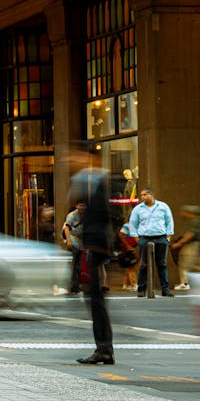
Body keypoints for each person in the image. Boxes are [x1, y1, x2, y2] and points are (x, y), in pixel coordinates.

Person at [69, 142, 116, 364]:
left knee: (95, 298)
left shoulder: (101, 180)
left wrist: (97, 246)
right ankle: (104, 348)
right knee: (95, 298)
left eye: (76, 156)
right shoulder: (90, 180)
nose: (72, 160)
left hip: (97, 246)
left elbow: (108, 215)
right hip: (95, 245)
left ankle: (104, 349)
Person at [127, 187, 174, 296]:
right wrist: (136, 239)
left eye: (144, 195)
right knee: (143, 264)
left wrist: (168, 236)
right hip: (144, 238)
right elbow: (132, 224)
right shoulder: (138, 209)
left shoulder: (163, 206)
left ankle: (165, 289)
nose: (142, 197)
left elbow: (169, 221)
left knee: (162, 264)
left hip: (161, 238)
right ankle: (141, 289)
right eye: (141, 195)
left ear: (151, 195)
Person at [170, 206, 199, 292]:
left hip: (192, 245)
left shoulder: (195, 221)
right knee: (195, 265)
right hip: (196, 245)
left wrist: (179, 243)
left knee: (185, 264)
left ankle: (185, 283)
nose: (183, 214)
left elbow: (191, 234)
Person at [61, 201, 87, 296]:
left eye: (83, 205)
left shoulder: (85, 215)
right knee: (71, 265)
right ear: (76, 206)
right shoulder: (72, 215)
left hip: (80, 244)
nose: (82, 207)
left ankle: (75, 287)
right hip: (73, 242)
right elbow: (66, 228)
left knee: (77, 266)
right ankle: (67, 285)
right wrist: (68, 241)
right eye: (80, 205)